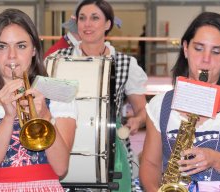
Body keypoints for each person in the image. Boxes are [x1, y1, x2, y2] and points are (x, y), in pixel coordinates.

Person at [45, 0, 147, 191]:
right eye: (82, 18)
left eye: (95, 18)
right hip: (64, 140)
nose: (87, 24)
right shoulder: (57, 59)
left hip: (111, 146)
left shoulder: (125, 63)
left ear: (108, 24)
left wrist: (137, 120)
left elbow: (142, 110)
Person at [0, 8, 77, 191]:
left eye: (21, 46)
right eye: (2, 46)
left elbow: (61, 167)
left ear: (34, 50)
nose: (12, 56)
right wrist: (8, 118)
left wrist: (45, 116)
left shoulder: (57, 95)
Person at [139, 11, 220, 192]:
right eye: (198, 48)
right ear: (185, 48)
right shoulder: (159, 105)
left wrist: (216, 159)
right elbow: (150, 164)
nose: (206, 60)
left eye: (216, 51)